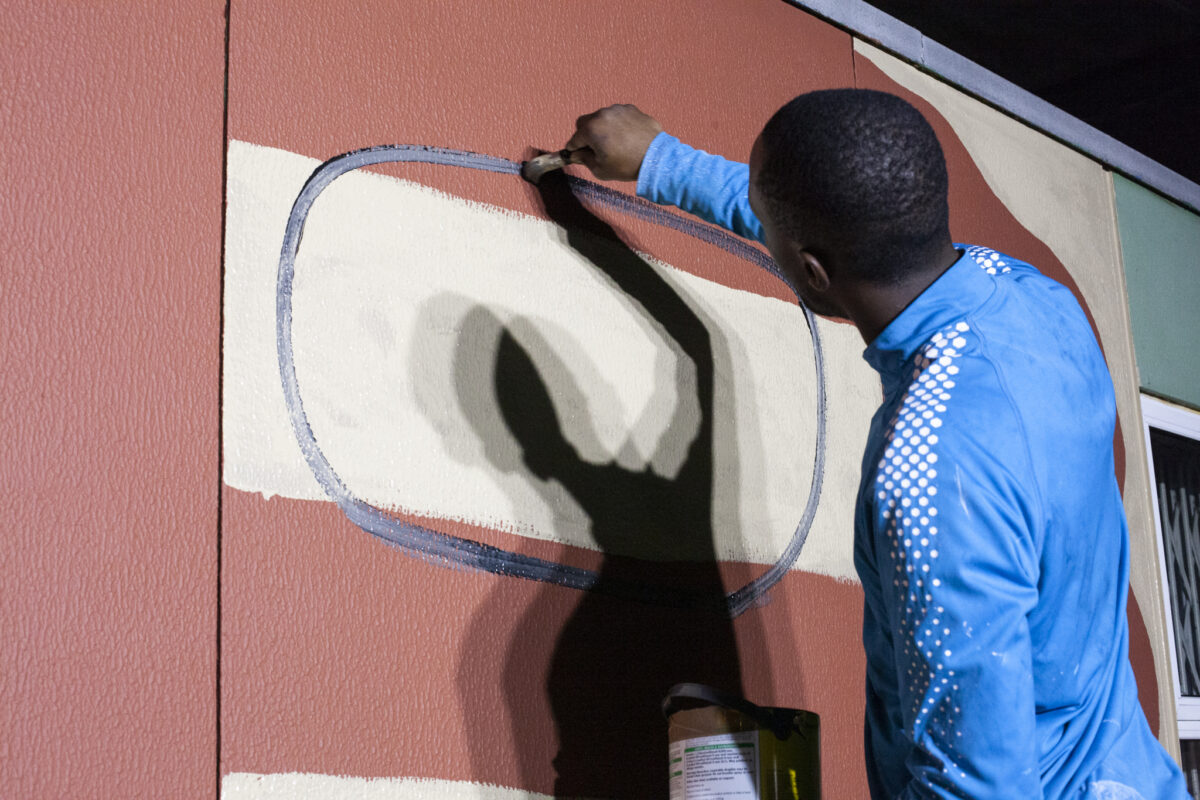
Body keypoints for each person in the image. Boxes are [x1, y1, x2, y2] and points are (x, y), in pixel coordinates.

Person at [555, 91, 1188, 799]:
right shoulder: (1036, 300)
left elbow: (981, 790)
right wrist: (665, 164)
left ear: (814, 271)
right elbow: (835, 224)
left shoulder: (932, 483)